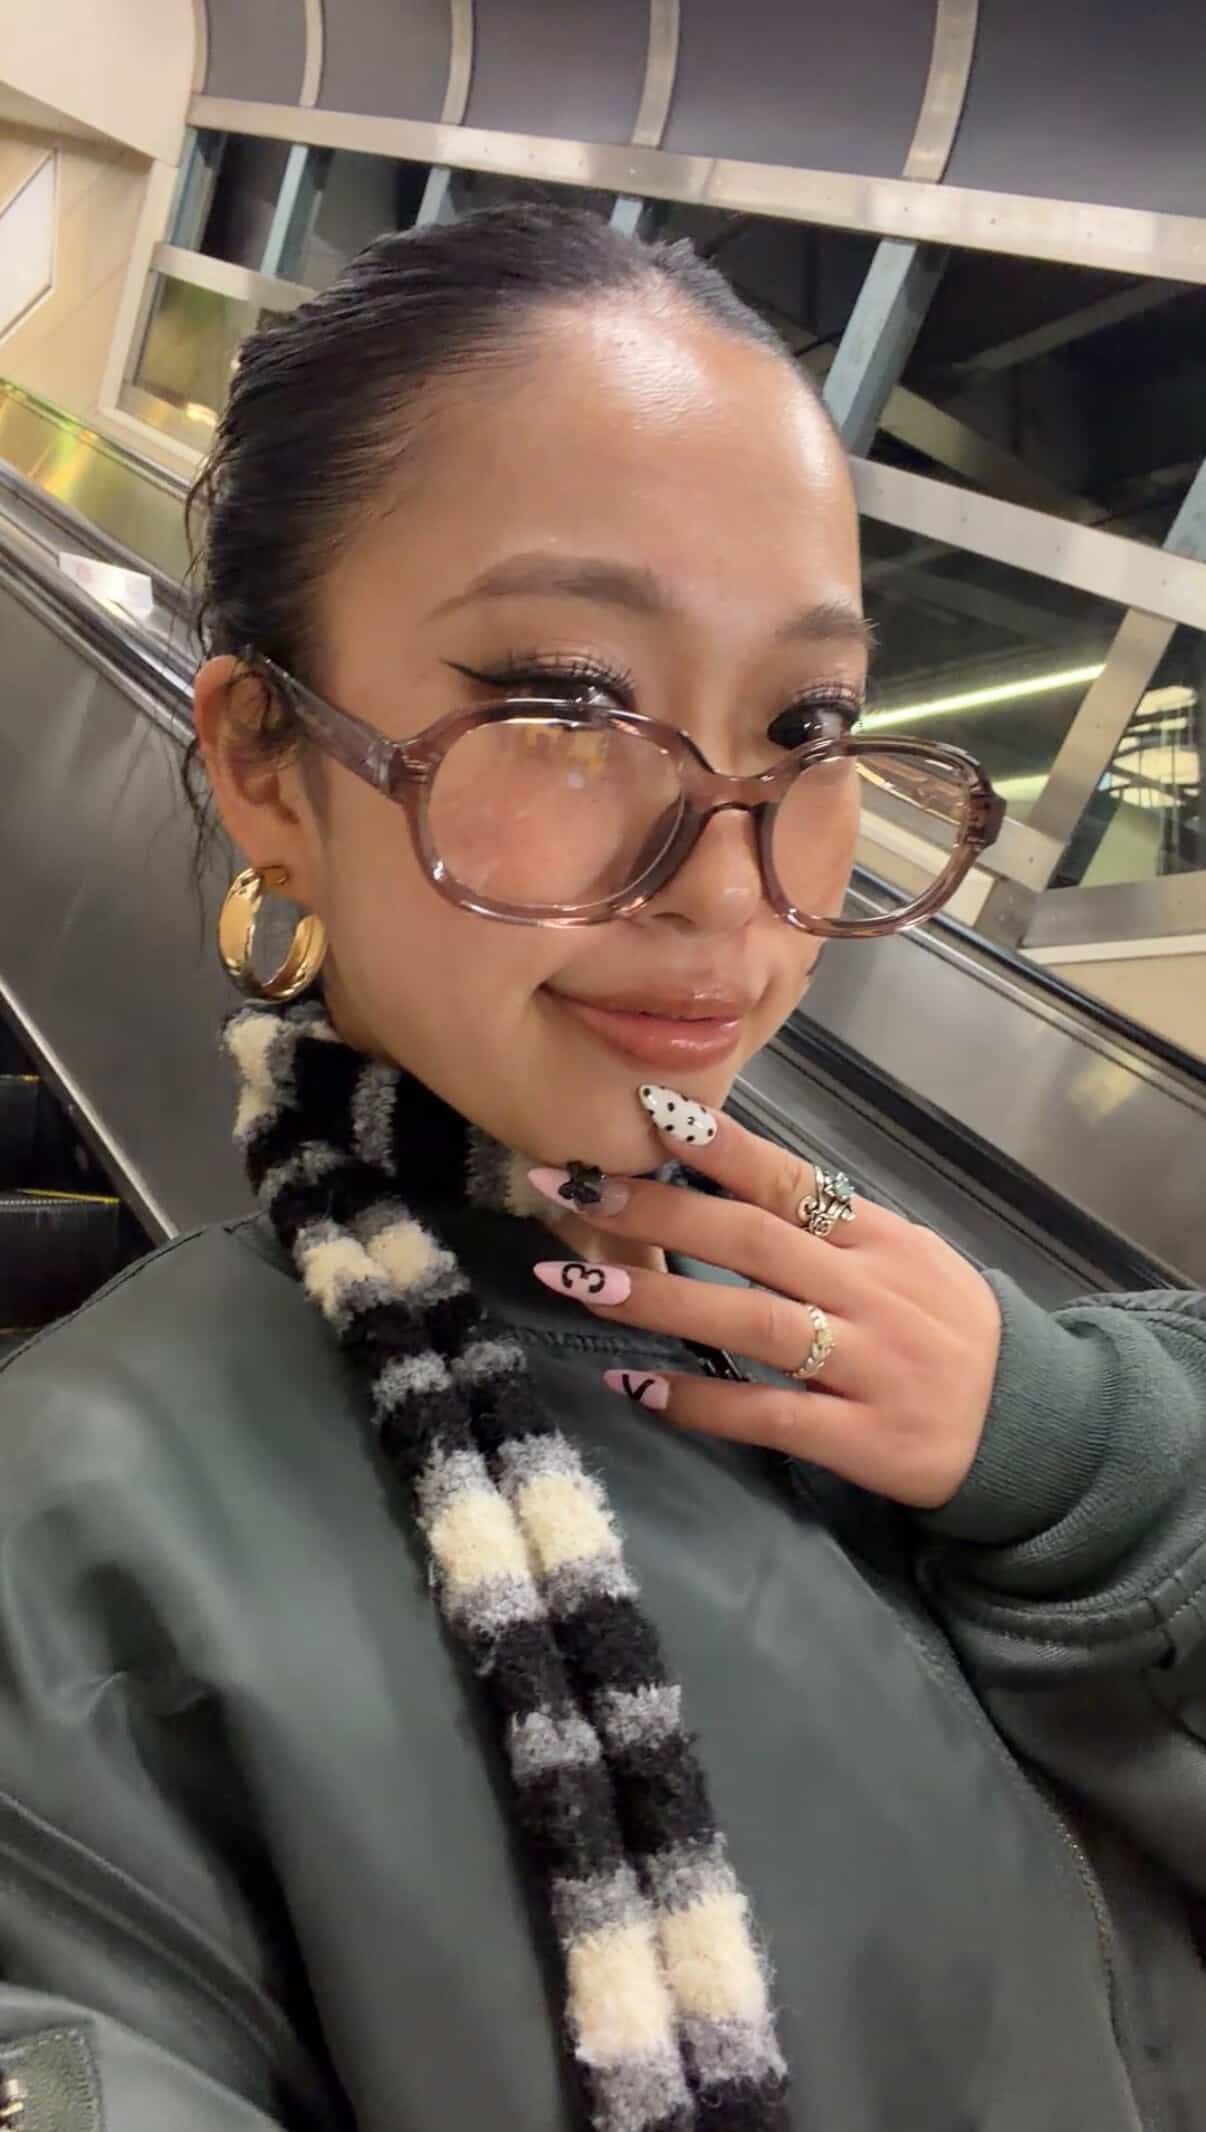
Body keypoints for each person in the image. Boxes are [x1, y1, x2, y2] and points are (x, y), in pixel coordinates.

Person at [0, 204, 1202, 2132]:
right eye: (564, 705)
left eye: (806, 724)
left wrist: (1086, 1464)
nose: (732, 894)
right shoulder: (75, 1569)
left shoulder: (966, 1369)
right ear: (265, 763)